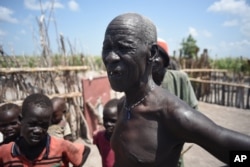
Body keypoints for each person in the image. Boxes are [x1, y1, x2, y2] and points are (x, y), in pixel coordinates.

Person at [101, 12, 250, 167]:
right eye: (106, 48)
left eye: (124, 47)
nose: (110, 57)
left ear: (151, 53)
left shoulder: (172, 114)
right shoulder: (123, 105)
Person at [0, 93, 90, 167]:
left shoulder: (60, 146)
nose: (38, 130)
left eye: (43, 125)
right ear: (21, 120)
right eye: (32, 124)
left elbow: (84, 151)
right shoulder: (5, 152)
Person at [152, 38, 198, 110]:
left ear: (165, 60)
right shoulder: (141, 82)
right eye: (150, 55)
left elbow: (194, 110)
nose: (152, 59)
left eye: (157, 55)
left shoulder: (180, 79)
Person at [93, 98, 119, 167]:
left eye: (113, 121)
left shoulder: (126, 140)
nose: (108, 124)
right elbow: (102, 153)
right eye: (105, 120)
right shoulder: (99, 136)